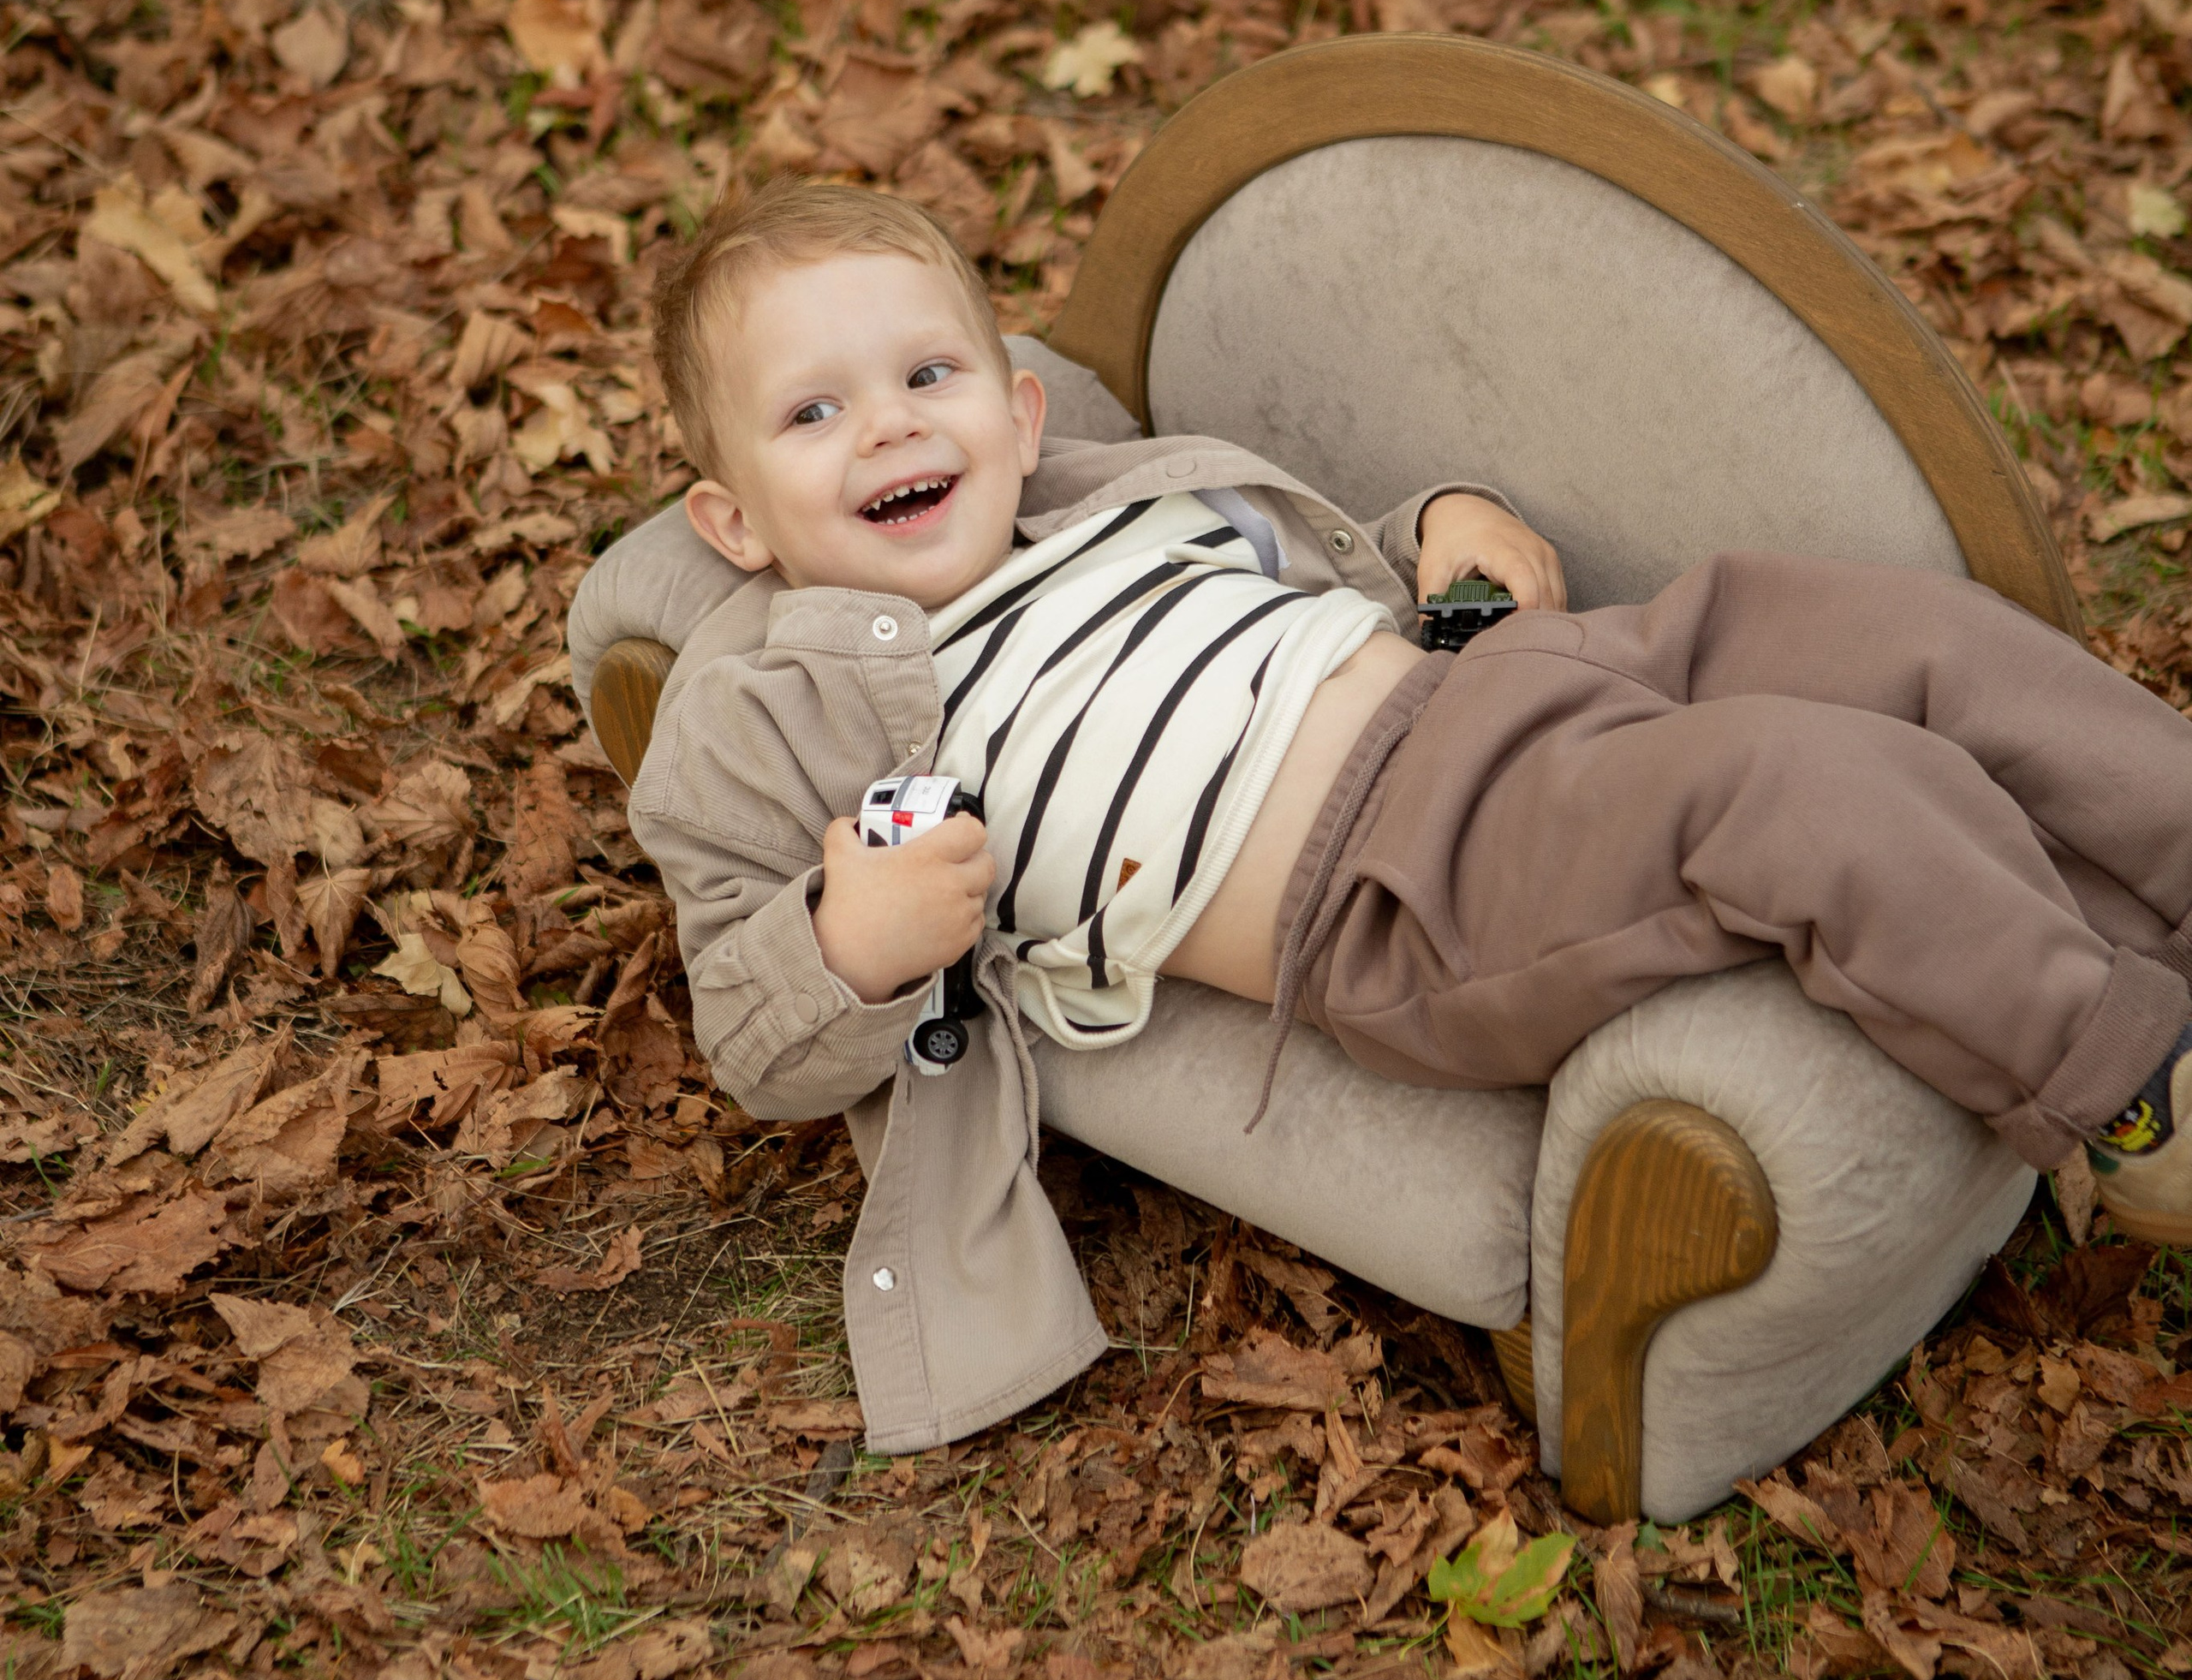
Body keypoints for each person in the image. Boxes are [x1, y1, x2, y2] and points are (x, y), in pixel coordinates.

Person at [578, 177, 2192, 1453]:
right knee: (1807, 792)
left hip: (1509, 675)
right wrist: (846, 944)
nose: (889, 427)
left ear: (1022, 414)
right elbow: (748, 1027)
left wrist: (1444, 523)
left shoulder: (1104, 503)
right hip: (1399, 883)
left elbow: (1324, 539)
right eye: (814, 415)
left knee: (1891, 632)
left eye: (927, 376)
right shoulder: (770, 711)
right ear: (727, 521)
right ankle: (2129, 1092)